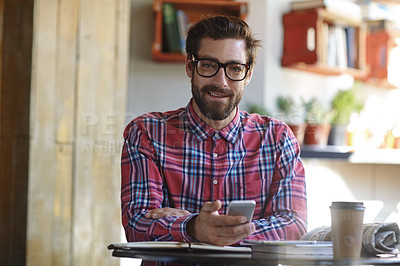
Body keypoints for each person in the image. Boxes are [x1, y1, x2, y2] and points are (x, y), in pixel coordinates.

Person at [121, 15, 307, 247]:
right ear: (190, 67)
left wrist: (194, 226)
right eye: (209, 65)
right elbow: (137, 225)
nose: (221, 81)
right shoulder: (146, 133)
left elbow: (294, 226)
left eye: (234, 68)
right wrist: (194, 226)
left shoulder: (277, 138)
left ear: (247, 74)